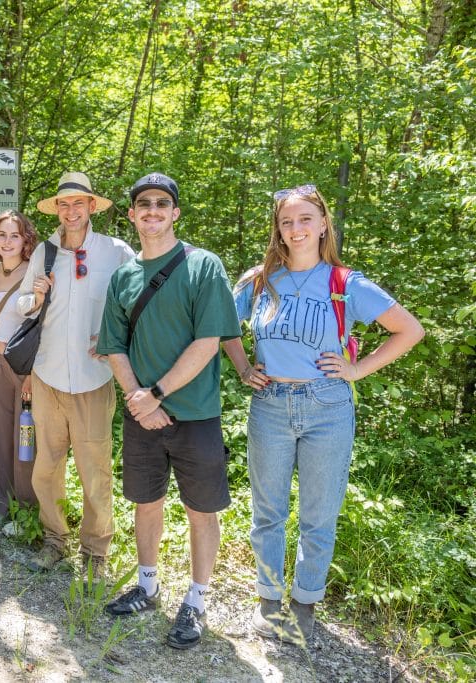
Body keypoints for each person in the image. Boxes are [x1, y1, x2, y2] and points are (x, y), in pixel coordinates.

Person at [222, 184, 424, 645]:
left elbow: (410, 330)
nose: (296, 229)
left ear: (323, 224)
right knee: (267, 513)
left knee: (319, 515)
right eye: (287, 221)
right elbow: (220, 325)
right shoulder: (258, 280)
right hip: (270, 406)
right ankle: (269, 602)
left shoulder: (346, 283)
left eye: (305, 219)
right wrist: (242, 366)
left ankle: (305, 603)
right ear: (278, 227)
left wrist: (356, 370)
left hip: (327, 406)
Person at [97, 173, 241, 650]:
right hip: (143, 417)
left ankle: (197, 600)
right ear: (133, 214)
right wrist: (140, 401)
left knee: (201, 509)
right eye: (143, 204)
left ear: (175, 212)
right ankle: (148, 584)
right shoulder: (123, 276)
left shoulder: (203, 266)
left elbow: (209, 341)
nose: (152, 210)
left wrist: (155, 393)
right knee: (146, 500)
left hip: (195, 414)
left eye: (162, 203)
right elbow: (115, 346)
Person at [16, 172, 134, 575]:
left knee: (95, 470)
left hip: (94, 379)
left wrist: (116, 335)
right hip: (47, 375)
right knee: (46, 468)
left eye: (78, 204)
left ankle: (96, 551)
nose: (70, 211)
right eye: (64, 205)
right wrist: (34, 298)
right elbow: (22, 305)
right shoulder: (45, 252)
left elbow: (139, 303)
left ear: (91, 208)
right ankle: (54, 539)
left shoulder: (116, 251)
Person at [0, 210, 39, 535]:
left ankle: (26, 511)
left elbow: (43, 326)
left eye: (14, 235)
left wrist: (32, 375)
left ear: (25, 239)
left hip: (25, 369)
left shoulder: (35, 273)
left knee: (26, 437)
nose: (7, 241)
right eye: (2, 234)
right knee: (1, 434)